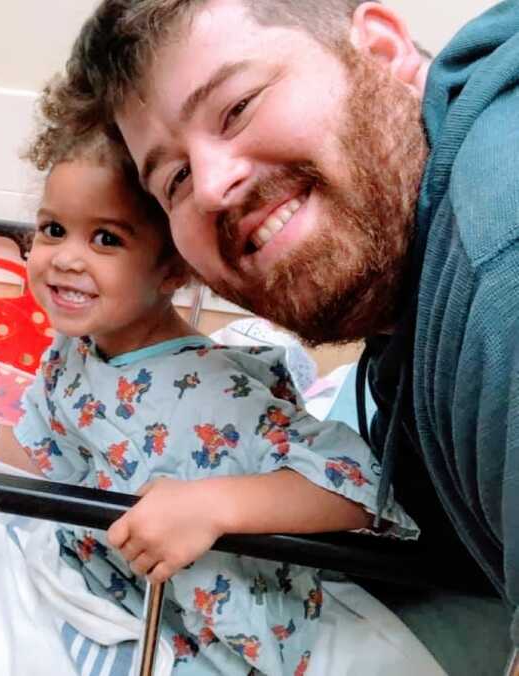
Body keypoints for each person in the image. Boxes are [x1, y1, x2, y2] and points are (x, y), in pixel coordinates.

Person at [50, 0, 518, 670]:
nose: (212, 188)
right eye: (174, 178)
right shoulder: (407, 299)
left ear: (381, 52)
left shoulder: (499, 264)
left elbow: (359, 487)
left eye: (237, 107)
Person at [0, 125, 435, 675]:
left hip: (209, 630)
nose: (66, 258)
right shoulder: (74, 350)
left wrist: (211, 507)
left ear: (172, 270)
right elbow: (58, 463)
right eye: (53, 229)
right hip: (112, 582)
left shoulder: (215, 395)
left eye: (107, 239)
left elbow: (359, 486)